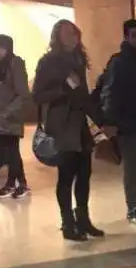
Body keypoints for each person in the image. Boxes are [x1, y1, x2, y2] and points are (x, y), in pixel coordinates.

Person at [32, 20, 106, 241]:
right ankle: (67, 223)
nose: (73, 38)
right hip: (63, 125)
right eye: (67, 34)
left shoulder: (78, 59)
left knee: (84, 173)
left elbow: (82, 92)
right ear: (57, 37)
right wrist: (62, 90)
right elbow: (37, 95)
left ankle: (83, 218)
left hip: (81, 124)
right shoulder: (48, 62)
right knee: (66, 176)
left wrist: (97, 116)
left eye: (75, 33)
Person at [100, 19, 136, 225]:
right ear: (126, 37)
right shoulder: (120, 62)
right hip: (125, 122)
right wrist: (109, 122)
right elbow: (110, 93)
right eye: (135, 35)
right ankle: (132, 208)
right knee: (131, 165)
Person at [0, 35, 31, 199]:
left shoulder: (15, 64)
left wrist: (7, 113)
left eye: (1, 48)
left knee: (11, 151)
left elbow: (23, 94)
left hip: (11, 116)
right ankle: (12, 183)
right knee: (7, 151)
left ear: (8, 48)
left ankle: (21, 184)